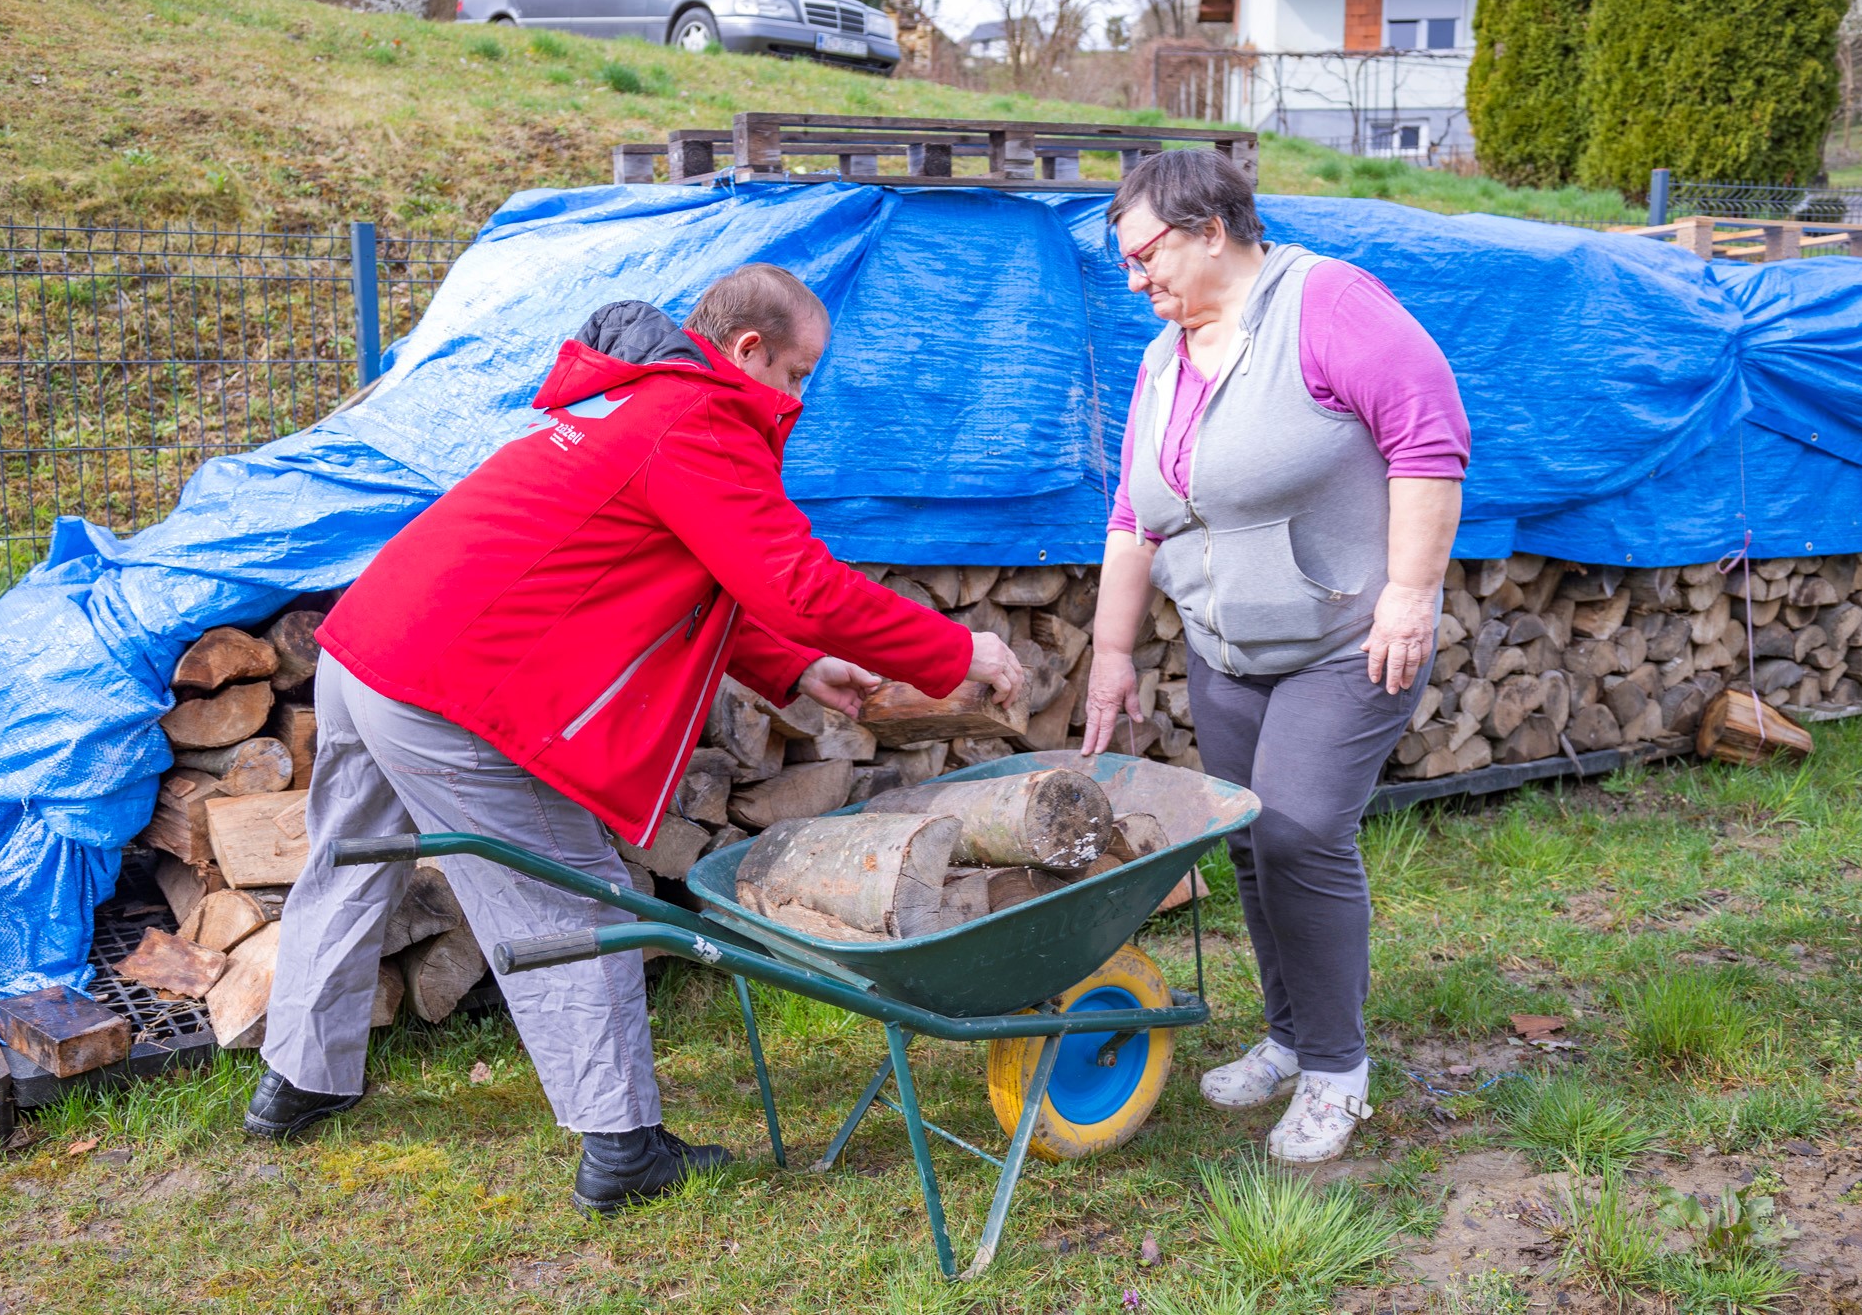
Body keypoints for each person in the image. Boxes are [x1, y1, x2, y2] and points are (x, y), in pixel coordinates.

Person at [246, 264, 1024, 1213]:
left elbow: (674, 572)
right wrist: (954, 648)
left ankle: (298, 1080)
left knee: (348, 860)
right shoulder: (696, 423)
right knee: (577, 896)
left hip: (369, 646)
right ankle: (622, 1145)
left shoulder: (633, 404)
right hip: (448, 685)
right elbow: (796, 584)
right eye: (799, 373)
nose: (801, 397)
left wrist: (790, 669)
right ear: (749, 351)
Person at [1082, 151, 1469, 1164]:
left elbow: (1426, 439)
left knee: (1299, 833)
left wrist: (1409, 595)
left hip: (1343, 640)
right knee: (1249, 842)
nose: (1134, 281)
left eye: (1144, 255)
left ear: (1210, 228)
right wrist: (1109, 650)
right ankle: (1289, 1037)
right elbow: (1135, 513)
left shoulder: (1326, 302)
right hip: (1225, 647)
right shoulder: (1166, 354)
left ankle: (1338, 1073)